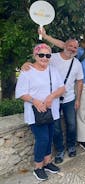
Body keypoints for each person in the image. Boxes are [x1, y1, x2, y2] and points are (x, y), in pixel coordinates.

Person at [21, 39, 84, 163]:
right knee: (56, 128)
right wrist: (26, 64)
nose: (72, 48)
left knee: (71, 124)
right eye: (70, 45)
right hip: (51, 101)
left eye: (75, 47)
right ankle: (60, 150)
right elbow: (38, 62)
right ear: (64, 45)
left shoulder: (77, 63)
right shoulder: (52, 57)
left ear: (77, 50)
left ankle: (71, 146)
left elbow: (80, 81)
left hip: (69, 99)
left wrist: (78, 99)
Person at [15, 43, 65, 181]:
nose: (44, 58)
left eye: (47, 55)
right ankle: (38, 167)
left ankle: (47, 162)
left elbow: (62, 88)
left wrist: (51, 97)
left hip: (51, 111)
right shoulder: (27, 71)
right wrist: (35, 101)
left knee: (49, 137)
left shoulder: (53, 70)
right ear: (35, 55)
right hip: (35, 113)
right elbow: (20, 93)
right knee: (42, 139)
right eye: (41, 55)